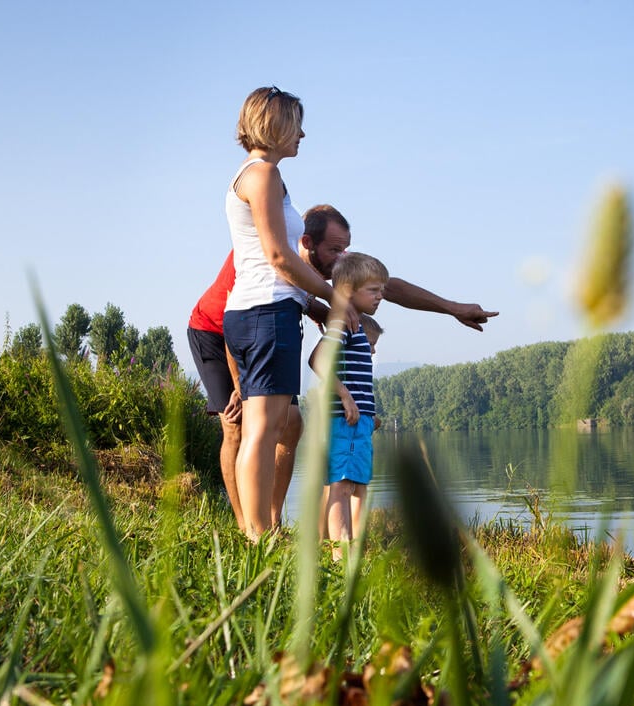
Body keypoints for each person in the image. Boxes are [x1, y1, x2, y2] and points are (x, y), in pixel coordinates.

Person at [190, 199, 498, 534]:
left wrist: (452, 308)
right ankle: (244, 526)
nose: (343, 258)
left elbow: (387, 285)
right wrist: (239, 386)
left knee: (290, 425)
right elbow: (236, 315)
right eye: (335, 249)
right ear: (307, 243)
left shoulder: (331, 261)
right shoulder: (266, 248)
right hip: (216, 328)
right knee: (237, 425)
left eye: (346, 249)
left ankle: (273, 522)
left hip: (271, 330)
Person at [222, 86, 336, 541]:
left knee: (263, 428)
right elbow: (279, 257)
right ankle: (257, 535)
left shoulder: (259, 176)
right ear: (274, 124)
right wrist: (332, 297)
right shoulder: (262, 174)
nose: (303, 134)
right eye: (296, 124)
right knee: (264, 432)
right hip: (266, 313)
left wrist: (314, 303)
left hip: (256, 313)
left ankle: (260, 530)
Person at [309, 253, 388, 554]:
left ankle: (356, 546)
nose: (381, 296)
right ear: (348, 292)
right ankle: (339, 551)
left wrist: (369, 414)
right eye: (374, 290)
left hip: (360, 421)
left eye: (382, 289)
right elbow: (318, 360)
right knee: (341, 485)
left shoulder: (356, 326)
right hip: (344, 420)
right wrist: (344, 396)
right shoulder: (343, 324)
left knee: (359, 487)